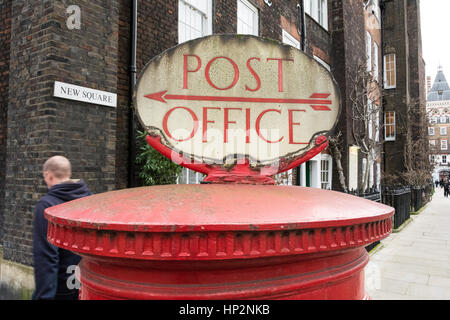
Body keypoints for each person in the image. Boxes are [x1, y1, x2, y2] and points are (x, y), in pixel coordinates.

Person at [32, 156, 92, 300]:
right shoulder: (90, 199)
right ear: (68, 174)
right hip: (86, 287)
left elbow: (46, 257)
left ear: (48, 175)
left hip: (60, 290)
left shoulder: (46, 206)